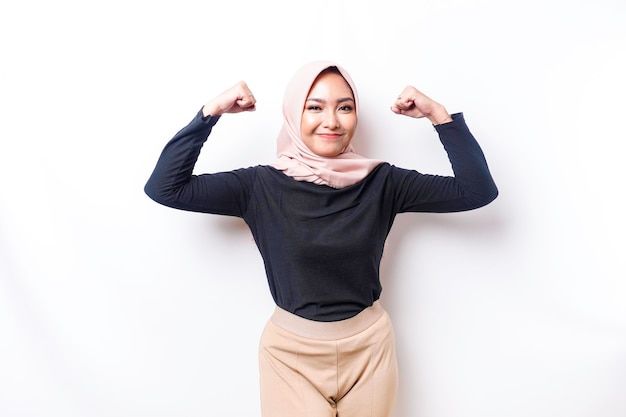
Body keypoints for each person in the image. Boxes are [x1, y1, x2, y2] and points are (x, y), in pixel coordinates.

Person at [144, 60, 498, 417]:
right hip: (291, 356)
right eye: (314, 107)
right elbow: (166, 188)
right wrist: (211, 112)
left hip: (370, 349)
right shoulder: (258, 186)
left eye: (345, 107)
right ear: (293, 113)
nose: (331, 121)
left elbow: (476, 192)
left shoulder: (383, 182)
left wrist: (438, 115)